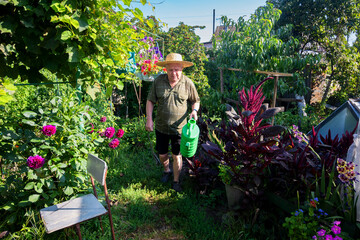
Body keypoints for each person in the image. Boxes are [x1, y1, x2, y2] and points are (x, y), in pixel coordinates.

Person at [145, 53, 200, 192]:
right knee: (163, 154)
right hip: (161, 126)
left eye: (177, 69)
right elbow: (150, 100)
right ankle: (166, 170)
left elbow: (195, 100)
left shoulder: (187, 83)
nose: (174, 73)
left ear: (182, 69)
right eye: (171, 70)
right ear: (166, 69)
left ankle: (176, 181)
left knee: (177, 155)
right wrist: (149, 119)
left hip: (180, 129)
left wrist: (194, 111)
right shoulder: (158, 82)